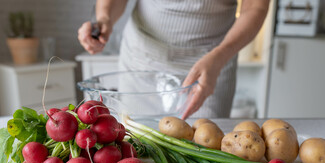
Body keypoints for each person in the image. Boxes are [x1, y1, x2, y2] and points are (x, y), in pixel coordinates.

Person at [78, 0, 269, 120]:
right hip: (143, 60)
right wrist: (105, 18)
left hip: (212, 62)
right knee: (138, 140)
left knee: (201, 145)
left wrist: (220, 57)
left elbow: (256, 6)